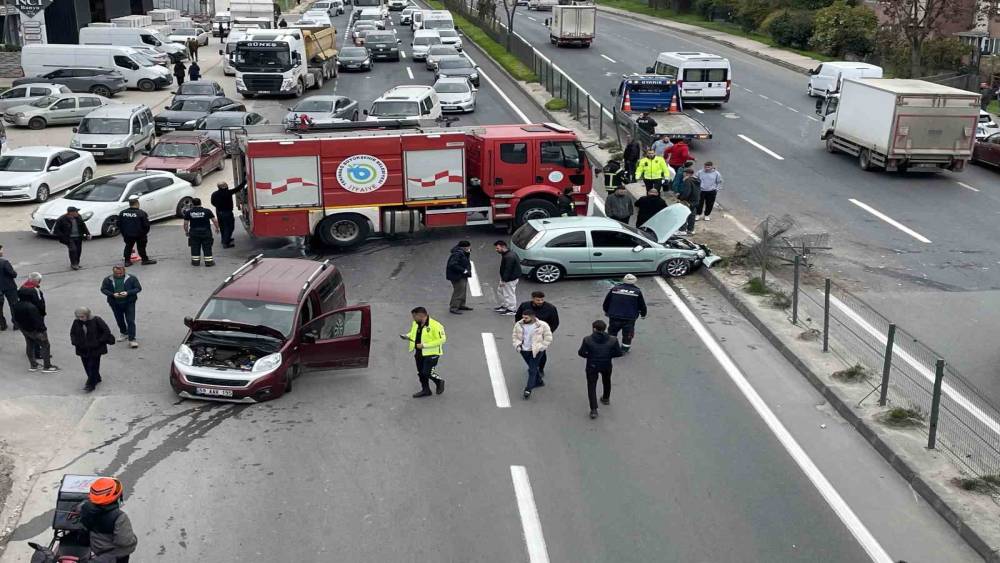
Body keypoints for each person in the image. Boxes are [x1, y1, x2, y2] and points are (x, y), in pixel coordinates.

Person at [76, 477, 137, 563]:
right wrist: (134, 539)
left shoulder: (84, 508)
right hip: (110, 556)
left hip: (94, 547)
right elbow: (125, 543)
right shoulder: (119, 518)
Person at [578, 319, 622, 419]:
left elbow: (581, 353)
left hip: (592, 365)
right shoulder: (613, 340)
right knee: (606, 380)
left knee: (591, 385)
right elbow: (618, 353)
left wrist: (589, 356)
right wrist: (608, 356)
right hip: (606, 364)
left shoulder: (587, 340)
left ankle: (594, 409)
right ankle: (606, 398)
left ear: (594, 329)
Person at [514, 291, 559, 379]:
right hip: (527, 334)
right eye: (538, 300)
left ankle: (540, 369)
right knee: (527, 351)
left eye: (542, 300)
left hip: (540, 335)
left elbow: (555, 323)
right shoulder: (524, 306)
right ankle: (532, 366)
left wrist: (546, 333)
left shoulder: (550, 308)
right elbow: (518, 317)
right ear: (533, 299)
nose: (540, 302)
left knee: (541, 353)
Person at [401, 306, 445, 398]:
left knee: (427, 372)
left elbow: (442, 340)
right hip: (419, 352)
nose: (413, 318)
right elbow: (414, 333)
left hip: (432, 353)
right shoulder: (416, 323)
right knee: (420, 372)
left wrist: (424, 345)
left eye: (414, 316)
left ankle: (439, 381)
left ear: (421, 315)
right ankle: (426, 390)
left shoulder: (436, 325)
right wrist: (407, 336)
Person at [13, 287, 58, 372]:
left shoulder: (16, 305)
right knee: (45, 346)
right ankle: (47, 366)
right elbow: (38, 321)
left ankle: (33, 365)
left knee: (30, 345)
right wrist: (43, 331)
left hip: (24, 329)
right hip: (35, 330)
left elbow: (15, 318)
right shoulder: (31, 307)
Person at [70, 307, 114, 392]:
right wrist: (75, 342)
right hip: (82, 348)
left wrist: (99, 341)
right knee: (86, 365)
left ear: (87, 315)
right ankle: (96, 378)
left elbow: (106, 331)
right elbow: (73, 333)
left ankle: (90, 384)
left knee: (93, 365)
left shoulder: (96, 320)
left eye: (82, 316)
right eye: (78, 317)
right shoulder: (76, 322)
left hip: (95, 348)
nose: (80, 319)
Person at [512, 309, 552, 399]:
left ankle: (528, 389)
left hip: (537, 350)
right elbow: (515, 336)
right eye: (523, 317)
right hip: (524, 350)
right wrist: (517, 346)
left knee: (532, 369)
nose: (524, 319)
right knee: (531, 367)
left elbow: (548, 337)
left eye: (526, 318)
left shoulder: (542, 325)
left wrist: (542, 347)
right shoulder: (519, 324)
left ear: (533, 317)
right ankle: (539, 381)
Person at [602, 273, 646, 353]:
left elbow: (606, 302)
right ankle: (624, 349)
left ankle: (611, 348)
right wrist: (643, 314)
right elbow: (642, 305)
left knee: (612, 333)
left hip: (614, 316)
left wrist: (606, 311)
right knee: (628, 334)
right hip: (629, 318)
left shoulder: (615, 289)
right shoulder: (637, 292)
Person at [100, 265, 142, 349]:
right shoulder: (107, 279)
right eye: (116, 273)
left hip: (129, 302)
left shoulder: (132, 278)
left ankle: (132, 339)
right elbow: (103, 289)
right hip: (115, 303)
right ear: (113, 272)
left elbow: (138, 288)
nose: (119, 275)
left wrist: (128, 293)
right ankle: (124, 333)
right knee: (119, 319)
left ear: (124, 271)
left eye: (120, 273)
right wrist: (112, 294)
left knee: (130, 320)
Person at [117, 197, 156, 266]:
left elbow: (119, 224)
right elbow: (146, 225)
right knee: (141, 247)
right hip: (140, 235)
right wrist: (144, 233)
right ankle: (145, 260)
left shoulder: (122, 213)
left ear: (130, 204)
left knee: (128, 247)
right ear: (137, 203)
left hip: (128, 234)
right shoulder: (141, 213)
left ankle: (127, 261)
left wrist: (124, 233)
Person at [183, 198, 220, 266]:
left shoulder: (189, 212)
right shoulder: (207, 211)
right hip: (206, 232)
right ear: (200, 203)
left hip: (194, 233)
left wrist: (186, 231)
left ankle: (195, 262)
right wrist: (217, 228)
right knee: (207, 247)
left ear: (192, 204)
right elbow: (214, 221)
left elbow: (185, 224)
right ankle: (209, 262)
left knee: (194, 247)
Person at [20, 273, 46, 362]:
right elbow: (40, 304)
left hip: (25, 315)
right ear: (36, 281)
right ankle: (38, 353)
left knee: (29, 337)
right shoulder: (35, 290)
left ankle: (32, 352)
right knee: (38, 334)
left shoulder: (22, 288)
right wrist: (42, 314)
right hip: (35, 315)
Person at [493, 240, 521, 315]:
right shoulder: (508, 254)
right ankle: (504, 306)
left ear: (503, 247)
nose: (496, 250)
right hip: (507, 278)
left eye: (497, 248)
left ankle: (511, 309)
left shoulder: (509, 257)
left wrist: (504, 280)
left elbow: (508, 269)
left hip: (509, 279)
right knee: (501, 291)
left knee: (509, 294)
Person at [445, 240, 473, 314]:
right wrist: (463, 270)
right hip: (457, 276)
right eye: (468, 247)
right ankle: (454, 307)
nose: (469, 248)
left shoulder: (462, 252)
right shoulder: (457, 254)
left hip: (461, 275)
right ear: (464, 247)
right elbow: (453, 264)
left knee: (462, 290)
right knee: (459, 291)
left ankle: (461, 305)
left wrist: (467, 253)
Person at [211, 182, 240, 248]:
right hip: (227, 212)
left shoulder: (214, 194)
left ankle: (224, 239)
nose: (227, 185)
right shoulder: (228, 192)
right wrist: (245, 181)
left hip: (219, 212)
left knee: (222, 227)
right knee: (230, 227)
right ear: (224, 186)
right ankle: (226, 243)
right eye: (226, 185)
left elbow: (212, 202)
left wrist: (218, 206)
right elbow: (237, 188)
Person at [677, 167, 701, 235]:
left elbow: (687, 192)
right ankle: (690, 230)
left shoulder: (688, 180)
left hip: (688, 201)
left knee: (683, 215)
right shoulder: (697, 180)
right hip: (695, 201)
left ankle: (682, 230)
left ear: (687, 174)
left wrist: (680, 198)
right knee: (692, 216)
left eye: (684, 173)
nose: (683, 174)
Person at [0, 244, 17, 331]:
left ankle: (2, 324)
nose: (2, 251)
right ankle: (16, 324)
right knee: (14, 305)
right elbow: (13, 274)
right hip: (9, 287)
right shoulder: (4, 262)